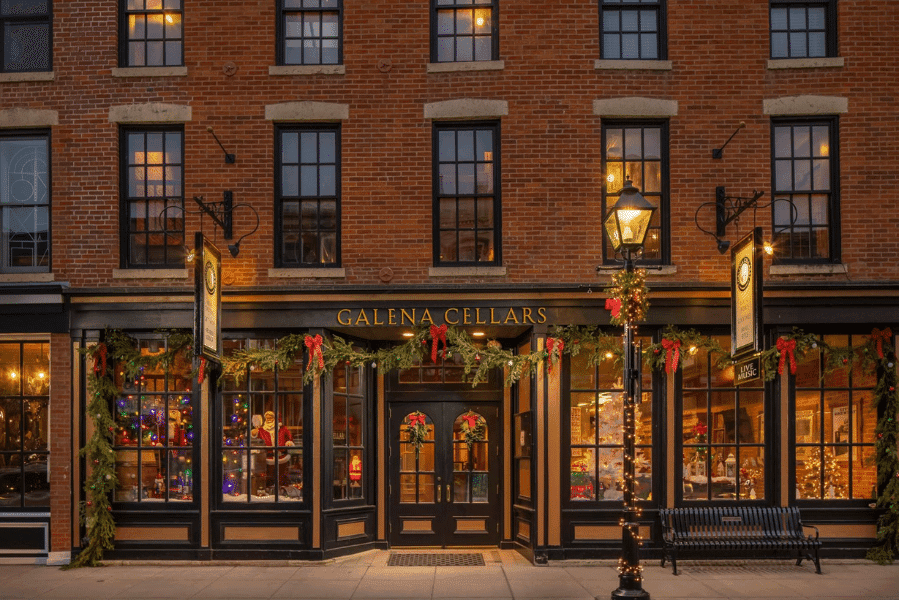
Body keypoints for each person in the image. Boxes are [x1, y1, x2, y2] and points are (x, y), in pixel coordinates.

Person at [251, 411, 294, 490]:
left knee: (282, 475)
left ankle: (283, 490)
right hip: (268, 458)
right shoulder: (262, 430)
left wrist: (289, 442)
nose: (269, 419)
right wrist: (254, 433)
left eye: (270, 418)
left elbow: (289, 437)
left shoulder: (282, 429)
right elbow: (254, 437)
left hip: (282, 457)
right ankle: (268, 490)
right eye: (267, 418)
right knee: (269, 475)